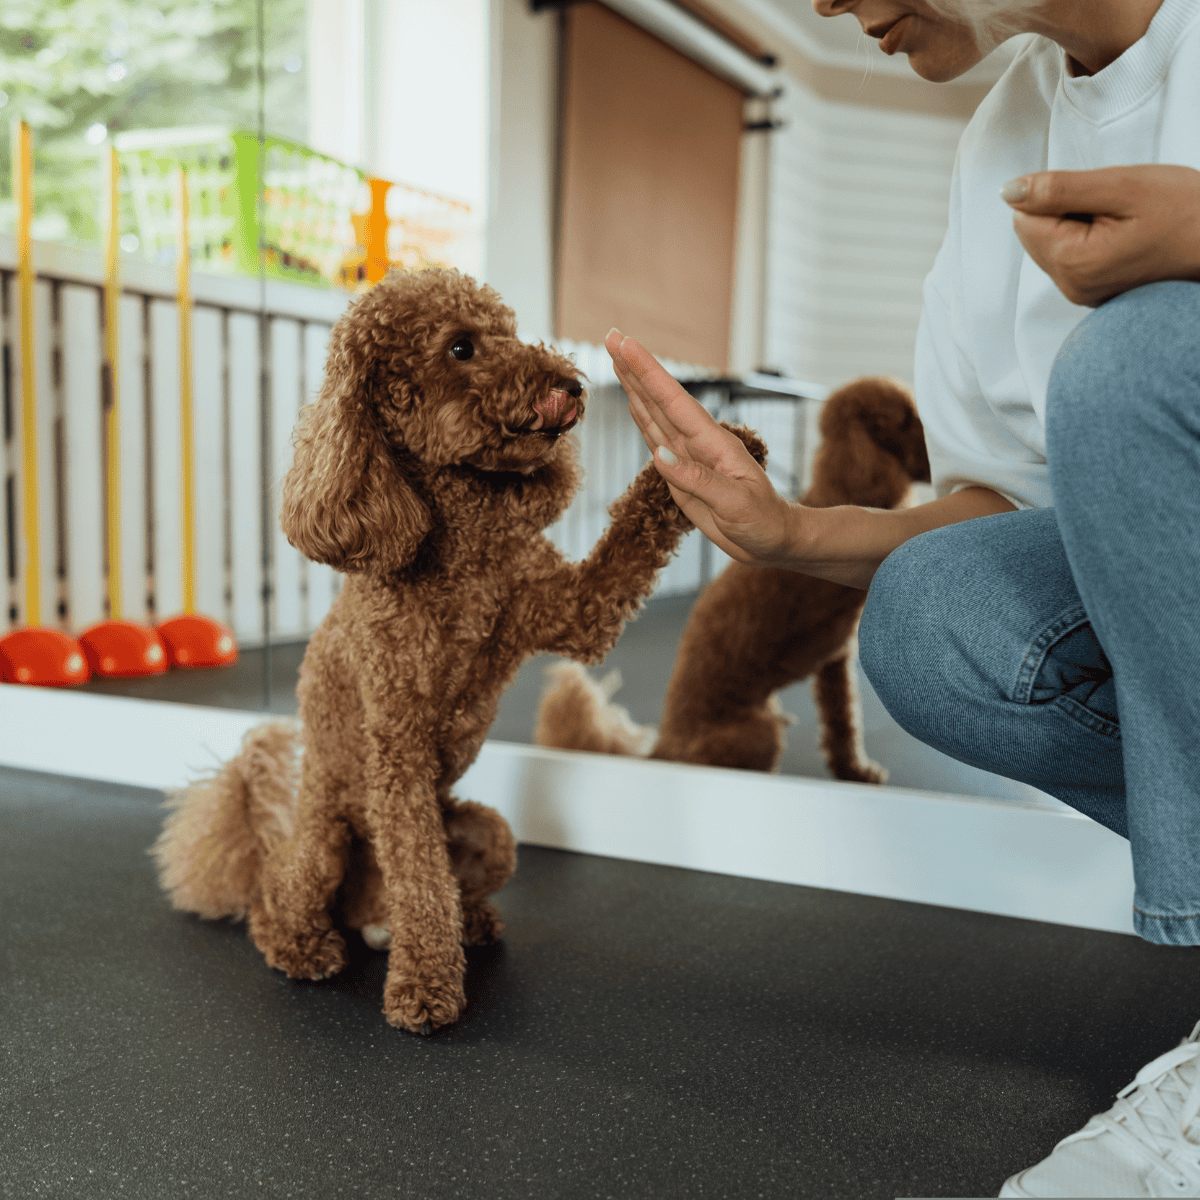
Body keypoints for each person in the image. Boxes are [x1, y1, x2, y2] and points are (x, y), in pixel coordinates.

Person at [604, 0, 1200, 1195]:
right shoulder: (1005, 139)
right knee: (938, 616)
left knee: (1134, 365)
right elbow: (1012, 504)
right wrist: (792, 532)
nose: (821, 1)